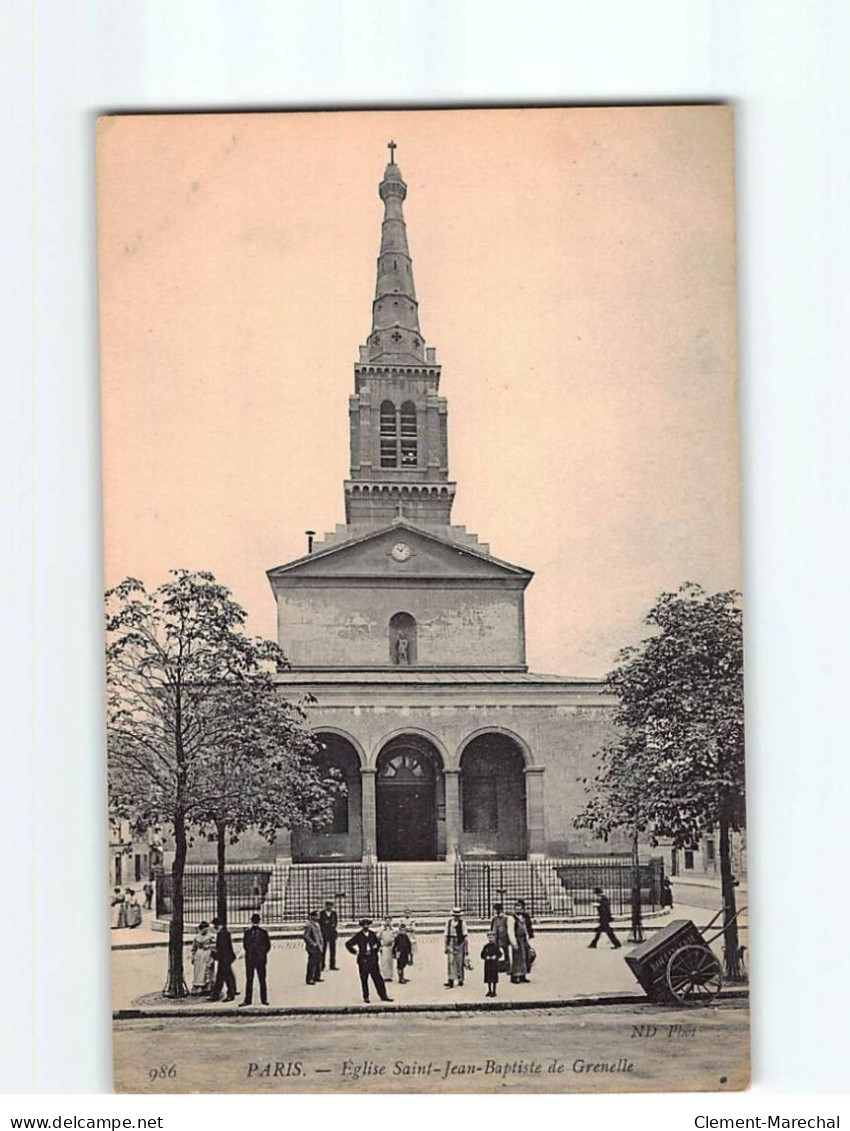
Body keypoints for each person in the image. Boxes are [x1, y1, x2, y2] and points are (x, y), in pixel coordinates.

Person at [345, 918, 393, 1003]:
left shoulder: (372, 934)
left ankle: (383, 996)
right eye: (364, 925)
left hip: (372, 959)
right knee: (364, 979)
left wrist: (376, 947)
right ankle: (366, 997)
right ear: (362, 926)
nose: (366, 926)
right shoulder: (358, 935)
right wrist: (355, 952)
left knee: (378, 978)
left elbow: (378, 943)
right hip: (363, 960)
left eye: (367, 925)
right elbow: (348, 944)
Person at [240, 912, 272, 1006]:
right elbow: (245, 945)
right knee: (249, 980)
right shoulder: (247, 932)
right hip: (250, 959)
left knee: (262, 980)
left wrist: (262, 953)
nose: (255, 922)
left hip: (260, 959)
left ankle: (264, 999)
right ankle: (248, 1000)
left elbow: (268, 946)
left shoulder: (264, 932)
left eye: (256, 921)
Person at [209, 917, 237, 1002]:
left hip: (224, 959)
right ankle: (217, 994)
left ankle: (229, 994)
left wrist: (214, 952)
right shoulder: (225, 932)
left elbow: (222, 948)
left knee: (225, 977)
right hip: (226, 958)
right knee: (223, 977)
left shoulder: (221, 934)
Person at [509, 899, 535, 983]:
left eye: (520, 908)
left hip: (524, 939)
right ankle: (515, 976)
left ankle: (523, 975)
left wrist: (528, 938)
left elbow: (526, 928)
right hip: (517, 939)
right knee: (517, 958)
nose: (518, 910)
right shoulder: (512, 919)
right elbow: (510, 931)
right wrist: (514, 943)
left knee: (525, 957)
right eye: (516, 908)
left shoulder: (524, 918)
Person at [444, 908, 469, 988]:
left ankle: (460, 978)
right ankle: (450, 979)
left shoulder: (462, 923)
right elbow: (446, 934)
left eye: (457, 916)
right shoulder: (449, 922)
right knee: (451, 961)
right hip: (451, 941)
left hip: (459, 942)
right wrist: (446, 946)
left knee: (459, 961)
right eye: (455, 916)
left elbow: (465, 936)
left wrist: (466, 948)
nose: (456, 917)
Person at [190, 921, 216, 994]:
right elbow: (194, 947)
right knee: (198, 971)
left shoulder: (211, 936)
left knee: (207, 970)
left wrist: (209, 946)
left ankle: (208, 987)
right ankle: (198, 986)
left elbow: (215, 946)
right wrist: (193, 956)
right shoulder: (197, 937)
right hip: (199, 955)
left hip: (207, 953)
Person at [304, 910, 324, 985]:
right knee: (312, 963)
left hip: (319, 946)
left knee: (318, 962)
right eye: (316, 916)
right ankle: (310, 978)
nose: (318, 917)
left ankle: (316, 976)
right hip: (313, 947)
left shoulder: (317, 924)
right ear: (312, 916)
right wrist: (313, 943)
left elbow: (319, 935)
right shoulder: (309, 925)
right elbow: (306, 936)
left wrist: (321, 944)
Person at [480, 931, 501, 997]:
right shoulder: (486, 946)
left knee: (494, 978)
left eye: (492, 937)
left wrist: (495, 957)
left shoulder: (496, 946)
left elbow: (500, 954)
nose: (491, 939)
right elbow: (482, 955)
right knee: (488, 978)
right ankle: (489, 990)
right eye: (489, 938)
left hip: (494, 965)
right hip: (488, 965)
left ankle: (494, 991)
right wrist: (486, 957)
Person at [319, 900, 339, 971]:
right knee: (323, 950)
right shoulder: (322, 913)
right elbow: (320, 923)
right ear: (325, 906)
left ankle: (332, 965)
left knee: (333, 950)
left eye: (331, 906)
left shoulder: (334, 913)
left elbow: (335, 922)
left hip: (332, 934)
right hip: (324, 934)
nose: (329, 907)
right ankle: (322, 965)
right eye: (328, 905)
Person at [377, 916, 396, 982]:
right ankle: (384, 976)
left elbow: (395, 936)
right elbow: (378, 937)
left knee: (390, 962)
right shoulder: (381, 929)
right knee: (384, 962)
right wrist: (380, 945)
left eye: (389, 921)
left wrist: (392, 941)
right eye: (386, 921)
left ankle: (389, 976)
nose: (388, 922)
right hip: (384, 946)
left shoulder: (392, 929)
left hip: (391, 946)